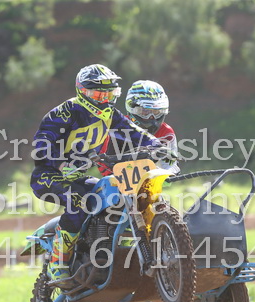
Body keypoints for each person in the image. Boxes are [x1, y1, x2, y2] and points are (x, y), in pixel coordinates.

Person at [30, 64, 160, 287]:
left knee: (111, 192)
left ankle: (100, 248)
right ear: (83, 91)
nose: (104, 99)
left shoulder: (111, 114)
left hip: (76, 176)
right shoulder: (66, 112)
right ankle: (58, 261)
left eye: (110, 93)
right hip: (48, 175)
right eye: (100, 95)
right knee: (79, 200)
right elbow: (42, 144)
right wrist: (61, 163)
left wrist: (159, 146)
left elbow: (135, 132)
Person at [99, 80, 180, 175]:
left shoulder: (166, 132)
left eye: (156, 112)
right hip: (117, 179)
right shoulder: (116, 129)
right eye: (145, 111)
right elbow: (102, 164)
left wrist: (164, 174)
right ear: (131, 108)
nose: (151, 117)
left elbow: (172, 165)